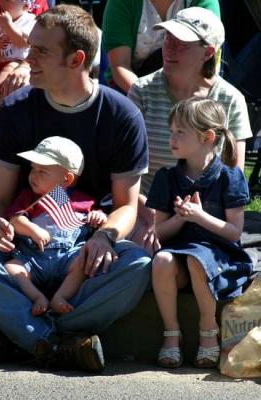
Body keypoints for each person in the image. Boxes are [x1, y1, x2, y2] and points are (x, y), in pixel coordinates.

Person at [0, 4, 151, 373]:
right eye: (30, 47)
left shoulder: (121, 115)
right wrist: (0, 225)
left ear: (76, 59)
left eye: (41, 51)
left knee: (139, 264)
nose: (27, 58)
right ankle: (58, 342)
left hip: (83, 249)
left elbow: (127, 206)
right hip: (22, 244)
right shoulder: (15, 109)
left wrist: (105, 238)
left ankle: (21, 336)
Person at [128, 7, 252, 255]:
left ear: (208, 52)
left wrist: (199, 218)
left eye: (182, 42)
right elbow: (126, 171)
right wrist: (151, 218)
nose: (170, 47)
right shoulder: (141, 92)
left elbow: (234, 175)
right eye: (167, 38)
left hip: (208, 217)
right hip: (147, 209)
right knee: (137, 261)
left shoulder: (230, 99)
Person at [147, 97, 252, 369]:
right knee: (162, 260)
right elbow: (160, 232)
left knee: (197, 260)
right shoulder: (167, 177)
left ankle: (208, 329)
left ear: (207, 137)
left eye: (180, 132)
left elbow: (234, 232)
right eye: (171, 131)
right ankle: (171, 334)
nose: (172, 138)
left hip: (220, 258)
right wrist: (182, 219)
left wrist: (200, 216)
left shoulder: (229, 177)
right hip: (178, 254)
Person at [3, 136, 107, 316]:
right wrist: (32, 229)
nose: (33, 175)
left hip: (67, 257)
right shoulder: (28, 198)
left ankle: (61, 296)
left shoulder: (83, 200)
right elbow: (14, 219)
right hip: (33, 258)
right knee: (11, 268)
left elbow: (98, 220)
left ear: (66, 179)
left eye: (42, 171)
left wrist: (98, 216)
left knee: (84, 263)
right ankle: (37, 297)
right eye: (33, 168)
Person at [102, 0, 220, 93]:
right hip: (132, 85)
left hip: (191, 85)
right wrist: (149, 98)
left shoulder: (204, 2)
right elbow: (120, 65)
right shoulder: (121, 2)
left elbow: (209, 65)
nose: (169, 47)